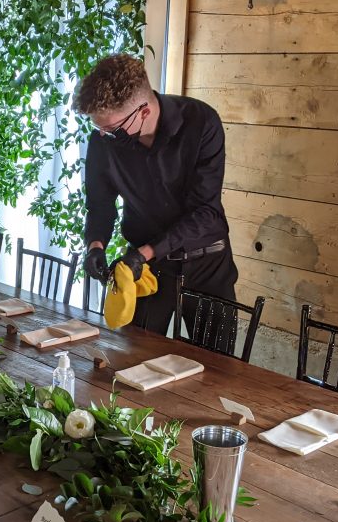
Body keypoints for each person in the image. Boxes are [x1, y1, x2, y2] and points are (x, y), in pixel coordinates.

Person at [74, 53, 238, 336]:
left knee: (216, 371)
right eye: (97, 127)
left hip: (206, 265)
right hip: (147, 269)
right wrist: (95, 246)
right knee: (133, 358)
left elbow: (205, 212)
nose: (103, 135)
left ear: (144, 112)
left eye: (111, 128)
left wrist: (143, 253)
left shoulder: (201, 123)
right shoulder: (103, 140)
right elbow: (100, 206)